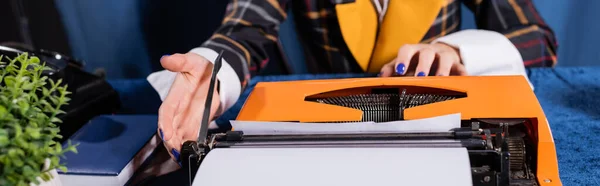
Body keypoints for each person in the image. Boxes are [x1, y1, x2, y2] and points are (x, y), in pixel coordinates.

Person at [146, 0, 557, 163]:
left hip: (442, 123)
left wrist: (458, 51)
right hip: (331, 127)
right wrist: (210, 67)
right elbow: (244, 28)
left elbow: (537, 37)